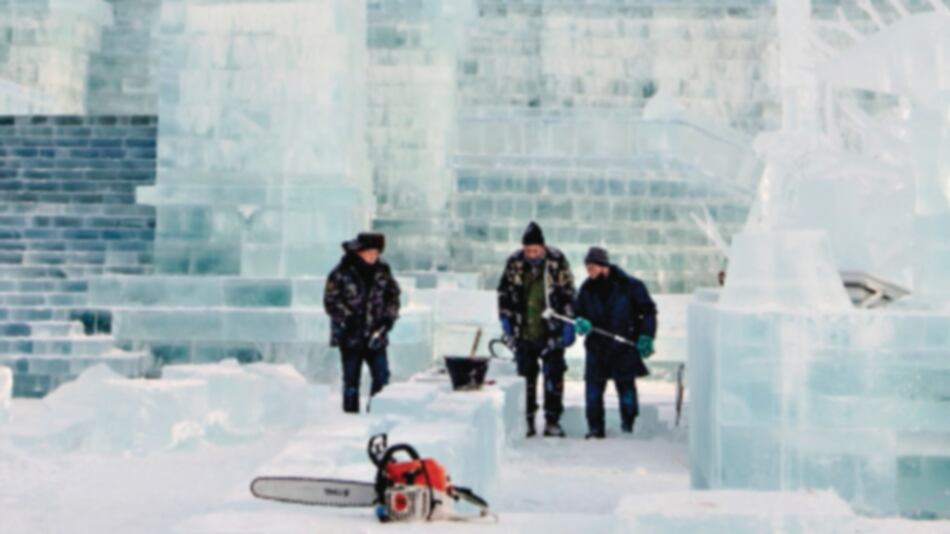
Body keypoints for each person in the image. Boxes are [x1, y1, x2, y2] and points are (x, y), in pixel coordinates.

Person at [497, 221, 576, 437]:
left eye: (535, 250)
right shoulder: (514, 262)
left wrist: (569, 322)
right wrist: (505, 319)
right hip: (524, 331)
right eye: (528, 250)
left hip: (551, 330)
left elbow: (568, 292)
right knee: (526, 379)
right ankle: (528, 420)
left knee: (554, 377)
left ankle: (552, 420)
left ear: (543, 247)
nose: (531, 254)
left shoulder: (556, 260)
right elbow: (504, 293)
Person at [574, 246, 657, 439]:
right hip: (596, 347)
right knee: (593, 391)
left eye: (593, 267)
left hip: (623, 346)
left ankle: (630, 427)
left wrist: (646, 335)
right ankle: (595, 429)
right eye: (588, 268)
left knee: (626, 389)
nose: (590, 272)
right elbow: (577, 311)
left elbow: (648, 312)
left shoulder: (630, 286)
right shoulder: (586, 288)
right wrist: (580, 321)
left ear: (604, 266)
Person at [324, 232, 401, 413]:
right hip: (350, 336)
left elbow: (393, 297)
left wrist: (388, 321)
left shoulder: (383, 271)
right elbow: (330, 302)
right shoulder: (341, 273)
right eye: (369, 253)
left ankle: (377, 412)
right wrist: (348, 320)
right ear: (359, 252)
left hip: (376, 334)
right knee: (351, 380)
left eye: (376, 253)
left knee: (381, 377)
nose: (373, 257)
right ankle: (350, 417)